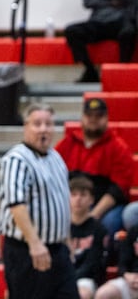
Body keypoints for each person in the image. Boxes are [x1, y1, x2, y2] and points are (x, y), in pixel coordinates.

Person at [0, 103, 78, 299]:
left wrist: (66, 239)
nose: (43, 129)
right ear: (26, 127)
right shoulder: (16, 159)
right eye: (37, 124)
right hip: (28, 250)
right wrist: (34, 243)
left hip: (57, 249)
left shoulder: (56, 157)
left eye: (48, 124)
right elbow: (16, 205)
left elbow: (62, 200)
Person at [55, 97, 133, 240]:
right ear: (82, 118)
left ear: (106, 118)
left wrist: (93, 215)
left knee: (109, 222)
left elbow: (118, 189)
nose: (93, 119)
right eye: (89, 115)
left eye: (98, 116)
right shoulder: (67, 144)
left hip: (105, 206)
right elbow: (54, 179)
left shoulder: (118, 147)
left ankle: (103, 257)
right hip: (72, 202)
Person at [69, 175, 107, 299]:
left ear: (91, 200)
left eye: (83, 195)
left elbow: (93, 263)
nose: (78, 199)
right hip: (61, 276)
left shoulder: (98, 229)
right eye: (74, 195)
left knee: (82, 294)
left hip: (86, 279)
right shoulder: (60, 227)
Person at [95, 223, 138, 298]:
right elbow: (122, 263)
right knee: (103, 294)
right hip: (131, 279)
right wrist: (127, 275)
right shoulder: (134, 230)